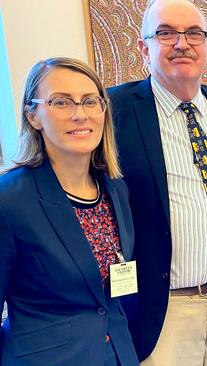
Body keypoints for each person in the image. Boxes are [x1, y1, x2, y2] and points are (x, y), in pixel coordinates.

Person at [107, 0, 207, 364]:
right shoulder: (115, 111)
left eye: (194, 33)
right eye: (166, 33)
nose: (182, 43)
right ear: (144, 48)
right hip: (163, 309)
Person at [0, 57, 138, 365]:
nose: (80, 114)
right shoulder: (9, 199)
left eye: (90, 101)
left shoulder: (115, 189)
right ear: (33, 116)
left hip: (117, 354)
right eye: (61, 102)